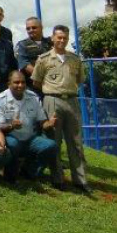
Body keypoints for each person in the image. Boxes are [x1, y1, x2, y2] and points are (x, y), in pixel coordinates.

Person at [32, 25, 91, 194]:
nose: (62, 40)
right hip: (52, 100)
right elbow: (36, 81)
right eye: (59, 37)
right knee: (54, 141)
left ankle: (80, 180)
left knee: (76, 142)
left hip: (71, 100)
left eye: (64, 38)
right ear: (52, 38)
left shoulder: (74, 59)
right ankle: (58, 179)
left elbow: (79, 80)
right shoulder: (44, 59)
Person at [0, 71, 57, 183]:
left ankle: (29, 172)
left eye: (23, 82)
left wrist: (49, 124)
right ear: (9, 84)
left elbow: (42, 122)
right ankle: (10, 174)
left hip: (30, 138)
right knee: (13, 144)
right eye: (16, 82)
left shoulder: (33, 97)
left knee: (51, 146)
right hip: (11, 138)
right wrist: (12, 126)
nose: (20, 85)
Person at [16, 17, 52, 87]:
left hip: (51, 84)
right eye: (28, 28)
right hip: (31, 85)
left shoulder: (50, 43)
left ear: (41, 28)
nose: (31, 30)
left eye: (34, 27)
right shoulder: (22, 45)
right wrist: (42, 78)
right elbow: (25, 65)